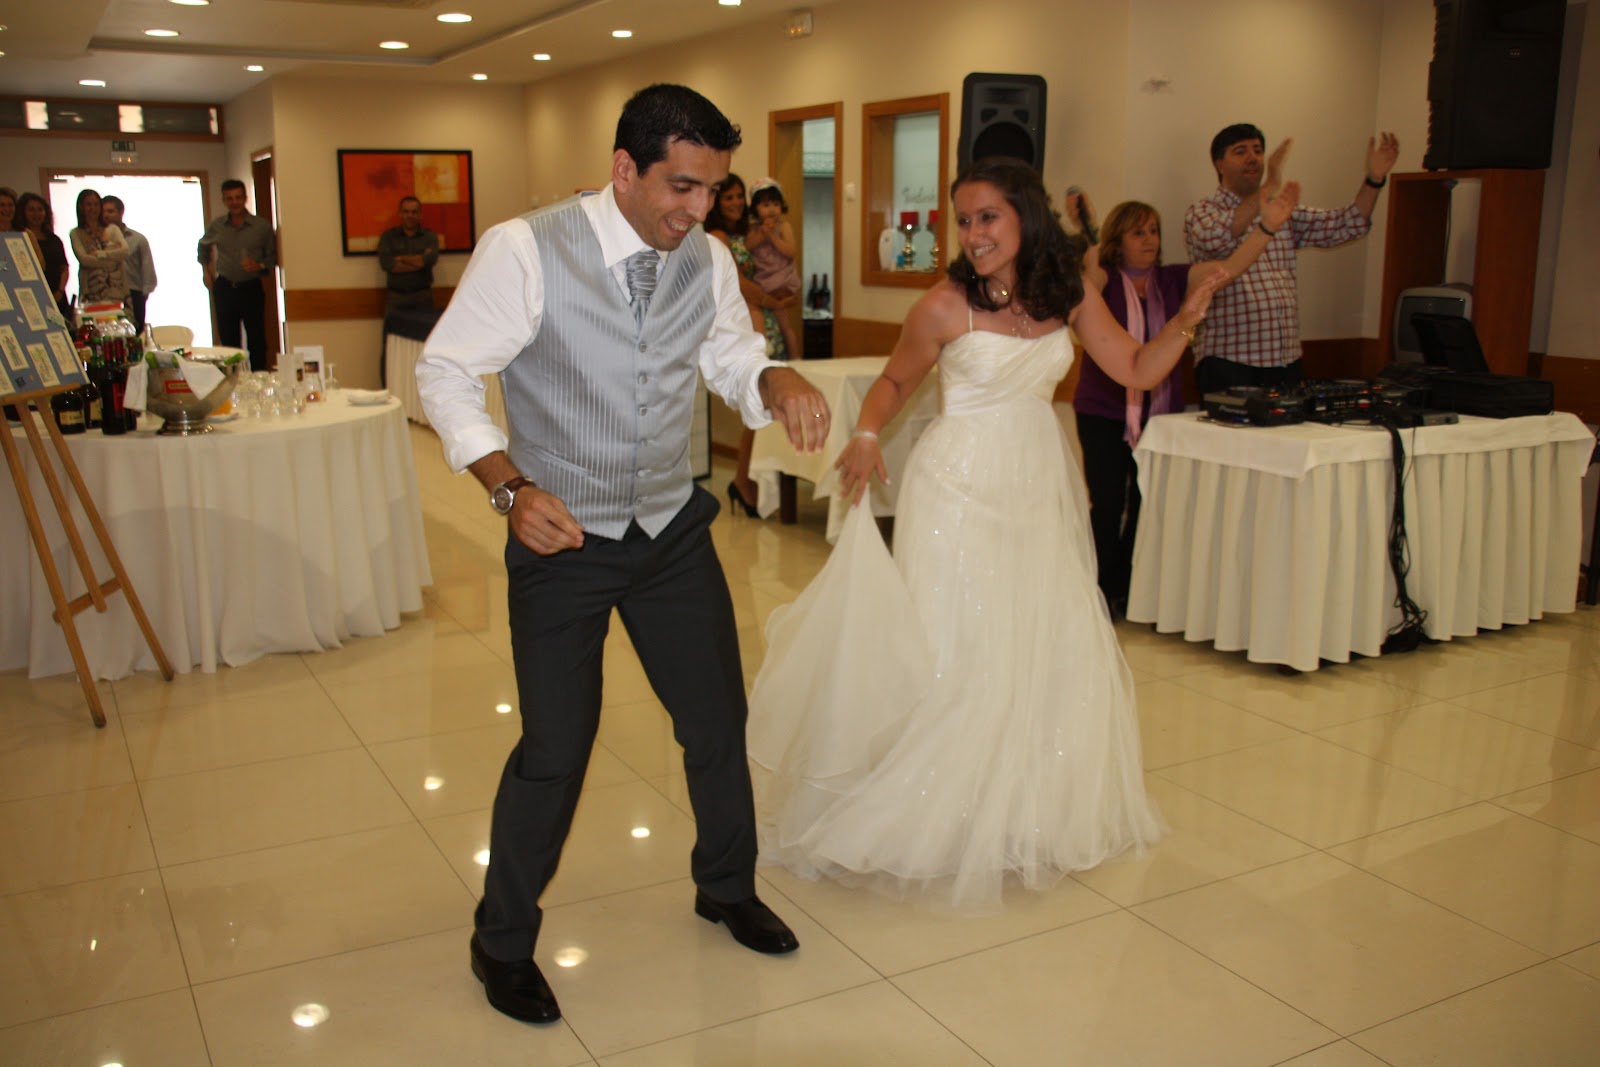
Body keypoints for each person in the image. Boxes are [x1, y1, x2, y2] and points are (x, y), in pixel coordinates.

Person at [415, 83, 832, 1026]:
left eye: (712, 190)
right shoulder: (527, 249)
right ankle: (500, 939)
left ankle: (726, 885)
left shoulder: (707, 258)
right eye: (681, 187)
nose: (700, 210)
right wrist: (508, 488)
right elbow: (445, 369)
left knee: (716, 720)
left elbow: (728, 355)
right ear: (624, 170)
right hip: (562, 536)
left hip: (670, 529)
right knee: (555, 747)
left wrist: (772, 376)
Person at [746, 158, 1226, 911]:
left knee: (1039, 636)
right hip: (957, 487)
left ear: (1024, 216)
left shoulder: (1067, 294)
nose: (973, 234)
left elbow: (1137, 367)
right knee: (958, 639)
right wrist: (866, 433)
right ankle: (934, 806)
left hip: (1037, 484)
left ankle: (1023, 807)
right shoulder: (944, 305)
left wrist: (1188, 316)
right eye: (964, 221)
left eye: (987, 217)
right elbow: (896, 381)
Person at [1065, 179, 1299, 613]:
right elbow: (1085, 286)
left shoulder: (1173, 280)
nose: (1149, 239)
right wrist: (1090, 241)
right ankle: (1098, 591)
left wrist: (1266, 227)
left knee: (1147, 503)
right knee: (1109, 503)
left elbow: (1230, 267)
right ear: (1118, 240)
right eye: (1138, 232)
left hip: (1160, 415)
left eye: (1154, 230)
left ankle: (1131, 591)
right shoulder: (1105, 279)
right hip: (1102, 411)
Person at [1183, 123, 1399, 394]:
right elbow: (1217, 239)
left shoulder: (1282, 211)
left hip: (1285, 361)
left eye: (1257, 150)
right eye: (1240, 151)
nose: (1252, 158)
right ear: (1219, 164)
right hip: (1228, 361)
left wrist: (1374, 180)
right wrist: (1270, 187)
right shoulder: (1203, 212)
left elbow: (1348, 223)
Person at [703, 173, 793, 516]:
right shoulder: (717, 237)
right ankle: (744, 481)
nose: (736, 203)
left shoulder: (747, 234)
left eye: (740, 196)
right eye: (728, 197)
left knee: (767, 408)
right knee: (756, 405)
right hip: (743, 323)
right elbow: (741, 285)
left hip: (765, 317)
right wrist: (773, 302)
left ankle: (753, 482)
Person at [198, 178, 276, 370]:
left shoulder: (262, 226)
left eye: (238, 197)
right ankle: (233, 380)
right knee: (229, 342)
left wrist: (259, 265)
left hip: (251, 288)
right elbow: (203, 246)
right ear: (224, 200)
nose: (234, 202)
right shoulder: (217, 226)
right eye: (230, 198)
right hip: (225, 287)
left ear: (245, 198)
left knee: (257, 340)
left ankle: (259, 379)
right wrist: (206, 272)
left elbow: (273, 257)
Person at [743, 178, 803, 361]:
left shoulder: (784, 227)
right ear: (755, 208)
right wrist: (762, 233)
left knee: (784, 324)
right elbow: (748, 246)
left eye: (776, 204)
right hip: (763, 281)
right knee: (768, 321)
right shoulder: (754, 229)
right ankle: (768, 353)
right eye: (766, 205)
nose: (771, 210)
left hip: (781, 279)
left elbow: (791, 251)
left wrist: (772, 236)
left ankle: (795, 358)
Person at [101, 195, 157, 332]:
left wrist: (143, 295)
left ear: (121, 212)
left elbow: (147, 268)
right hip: (107, 295)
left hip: (133, 293)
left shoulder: (137, 239)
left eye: (110, 211)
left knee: (135, 334)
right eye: (104, 212)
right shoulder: (99, 239)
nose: (106, 215)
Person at [377, 195, 440, 315]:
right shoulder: (388, 237)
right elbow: (387, 264)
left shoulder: (429, 237)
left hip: (422, 296)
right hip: (396, 296)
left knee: (426, 327)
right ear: (400, 214)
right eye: (406, 212)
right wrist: (419, 261)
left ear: (420, 215)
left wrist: (400, 258)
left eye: (414, 212)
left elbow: (430, 260)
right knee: (394, 328)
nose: (410, 215)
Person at [17, 192, 72, 322]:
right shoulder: (18, 238)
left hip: (57, 295)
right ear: (23, 212)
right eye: (31, 210)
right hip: (31, 295)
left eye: (40, 209)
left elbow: (64, 268)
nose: (36, 214)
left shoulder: (54, 239)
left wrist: (60, 291)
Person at [70, 188, 129, 308]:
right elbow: (84, 260)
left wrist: (100, 254)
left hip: (116, 288)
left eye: (96, 204)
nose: (93, 208)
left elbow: (124, 251)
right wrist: (113, 259)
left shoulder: (112, 229)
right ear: (81, 207)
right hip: (91, 290)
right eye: (89, 204)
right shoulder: (76, 233)